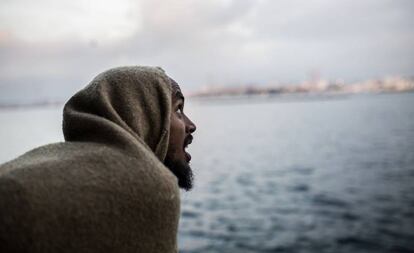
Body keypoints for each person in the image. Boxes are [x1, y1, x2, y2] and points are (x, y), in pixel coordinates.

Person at [0, 66, 196, 253]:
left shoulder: (43, 160)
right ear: (144, 114)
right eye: (178, 109)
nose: (191, 125)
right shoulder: (152, 187)